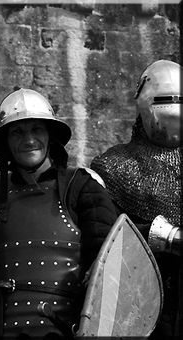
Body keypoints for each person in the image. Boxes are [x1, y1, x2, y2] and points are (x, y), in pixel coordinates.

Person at [0, 89, 118, 337]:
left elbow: (110, 269)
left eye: (36, 130)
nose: (29, 139)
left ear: (49, 136)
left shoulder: (83, 188)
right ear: (6, 142)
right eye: (18, 132)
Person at [91, 60, 181, 337]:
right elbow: (104, 237)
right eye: (166, 99)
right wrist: (166, 236)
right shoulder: (113, 166)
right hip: (139, 297)